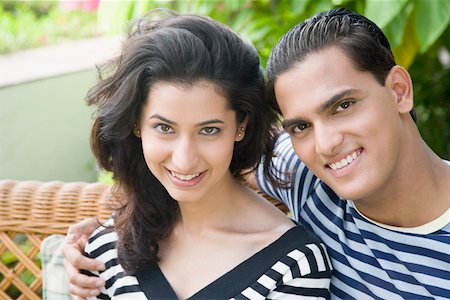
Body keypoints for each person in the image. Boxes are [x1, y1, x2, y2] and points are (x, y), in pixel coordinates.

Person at [63, 8, 450, 299]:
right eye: (301, 125)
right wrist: (101, 229)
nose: (327, 143)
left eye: (343, 106)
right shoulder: (305, 175)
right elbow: (200, 163)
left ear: (399, 90)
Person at [70, 9, 332, 299]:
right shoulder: (103, 248)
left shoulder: (293, 265)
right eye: (164, 128)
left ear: (240, 126)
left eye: (208, 130)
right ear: (136, 125)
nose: (184, 159)